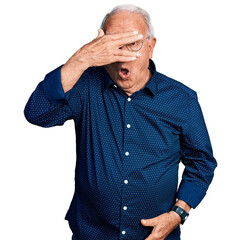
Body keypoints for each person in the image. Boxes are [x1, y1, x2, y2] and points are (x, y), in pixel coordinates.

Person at [24, 4, 217, 240]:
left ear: (151, 46)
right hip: (91, 234)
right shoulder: (85, 87)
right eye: (113, 45)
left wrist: (178, 214)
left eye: (132, 44)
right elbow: (36, 112)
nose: (121, 55)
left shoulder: (181, 100)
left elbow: (202, 164)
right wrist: (81, 58)